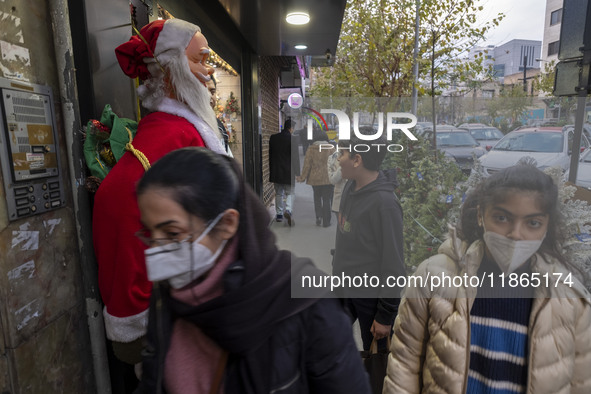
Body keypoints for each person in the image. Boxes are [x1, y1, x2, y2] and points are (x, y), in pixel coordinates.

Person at [133, 147, 371, 393]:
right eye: (151, 234)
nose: (156, 250)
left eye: (172, 233)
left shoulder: (308, 301)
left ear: (227, 223)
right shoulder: (167, 294)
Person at [93, 18, 230, 366]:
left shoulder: (182, 130)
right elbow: (118, 202)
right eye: (199, 59)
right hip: (175, 319)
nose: (209, 71)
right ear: (170, 70)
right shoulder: (170, 136)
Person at [384, 163, 591, 393]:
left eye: (533, 223)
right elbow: (404, 365)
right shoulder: (433, 278)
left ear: (546, 226)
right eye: (502, 218)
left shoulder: (570, 299)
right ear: (481, 215)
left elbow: (581, 382)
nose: (516, 234)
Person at [332, 130, 405, 352]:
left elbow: (394, 265)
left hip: (371, 298)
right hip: (343, 290)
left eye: (342, 153)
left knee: (377, 360)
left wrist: (385, 315)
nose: (338, 158)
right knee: (328, 343)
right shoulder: (349, 187)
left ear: (357, 159)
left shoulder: (385, 204)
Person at [297, 129, 335, 227]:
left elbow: (307, 165)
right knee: (327, 199)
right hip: (328, 178)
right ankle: (326, 222)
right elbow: (336, 164)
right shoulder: (331, 148)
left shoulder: (311, 149)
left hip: (315, 178)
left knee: (317, 197)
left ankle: (318, 217)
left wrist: (302, 177)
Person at [269, 118, 300, 225]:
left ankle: (279, 215)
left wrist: (271, 170)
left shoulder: (273, 138)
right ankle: (288, 210)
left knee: (278, 194)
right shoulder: (293, 139)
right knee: (290, 193)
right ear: (291, 128)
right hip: (289, 171)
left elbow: (270, 155)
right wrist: (298, 173)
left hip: (276, 171)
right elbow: (295, 157)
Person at [205, 76, 232, 156]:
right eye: (203, 91)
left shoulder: (218, 125)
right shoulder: (187, 125)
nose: (209, 96)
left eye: (212, 92)